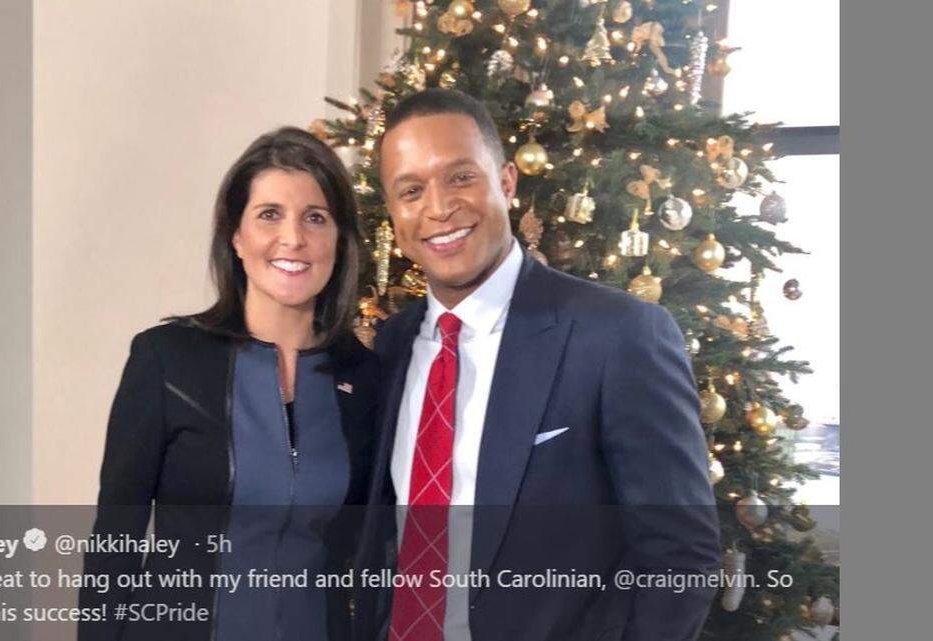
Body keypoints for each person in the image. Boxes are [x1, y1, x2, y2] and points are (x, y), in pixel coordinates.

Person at [354, 89, 721, 641]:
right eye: (411, 190)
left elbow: (680, 559)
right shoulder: (392, 345)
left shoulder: (618, 336)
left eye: (460, 177)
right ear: (394, 213)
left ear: (505, 182)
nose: (437, 208)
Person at [78, 127, 380, 641]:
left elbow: (370, 551)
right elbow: (115, 540)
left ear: (339, 240)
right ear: (236, 236)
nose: (293, 238)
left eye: (316, 217)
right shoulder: (166, 359)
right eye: (269, 215)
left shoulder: (366, 378)